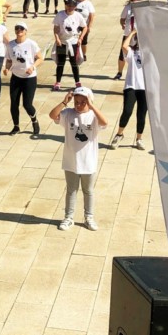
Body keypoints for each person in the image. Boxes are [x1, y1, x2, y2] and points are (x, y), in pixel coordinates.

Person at [48, 86, 108, 230]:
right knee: (71, 190)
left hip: (88, 162)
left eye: (83, 102)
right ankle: (68, 217)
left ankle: (89, 217)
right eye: (76, 102)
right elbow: (52, 115)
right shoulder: (68, 114)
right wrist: (64, 102)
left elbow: (104, 123)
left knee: (88, 190)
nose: (79, 105)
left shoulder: (93, 117)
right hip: (71, 161)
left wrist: (92, 106)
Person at [110, 30, 148, 150]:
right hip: (131, 86)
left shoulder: (151, 54)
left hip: (145, 88)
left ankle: (139, 139)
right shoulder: (132, 52)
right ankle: (119, 134)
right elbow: (124, 46)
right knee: (127, 111)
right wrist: (132, 33)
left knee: (141, 114)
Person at [6, 22, 42, 136]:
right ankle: (16, 126)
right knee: (13, 103)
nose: (19, 30)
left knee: (27, 104)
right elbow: (9, 60)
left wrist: (33, 67)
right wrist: (6, 68)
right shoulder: (10, 45)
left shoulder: (31, 44)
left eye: (21, 29)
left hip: (29, 78)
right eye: (17, 28)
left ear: (25, 31)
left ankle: (34, 121)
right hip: (16, 77)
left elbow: (40, 58)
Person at [51, 0, 87, 91]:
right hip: (62, 41)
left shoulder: (78, 15)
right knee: (61, 63)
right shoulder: (60, 15)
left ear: (75, 7)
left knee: (74, 63)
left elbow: (85, 27)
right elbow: (56, 27)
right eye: (69, 5)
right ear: (66, 5)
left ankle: (77, 82)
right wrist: (57, 38)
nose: (70, 7)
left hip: (73, 42)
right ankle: (58, 82)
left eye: (72, 6)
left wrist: (81, 38)